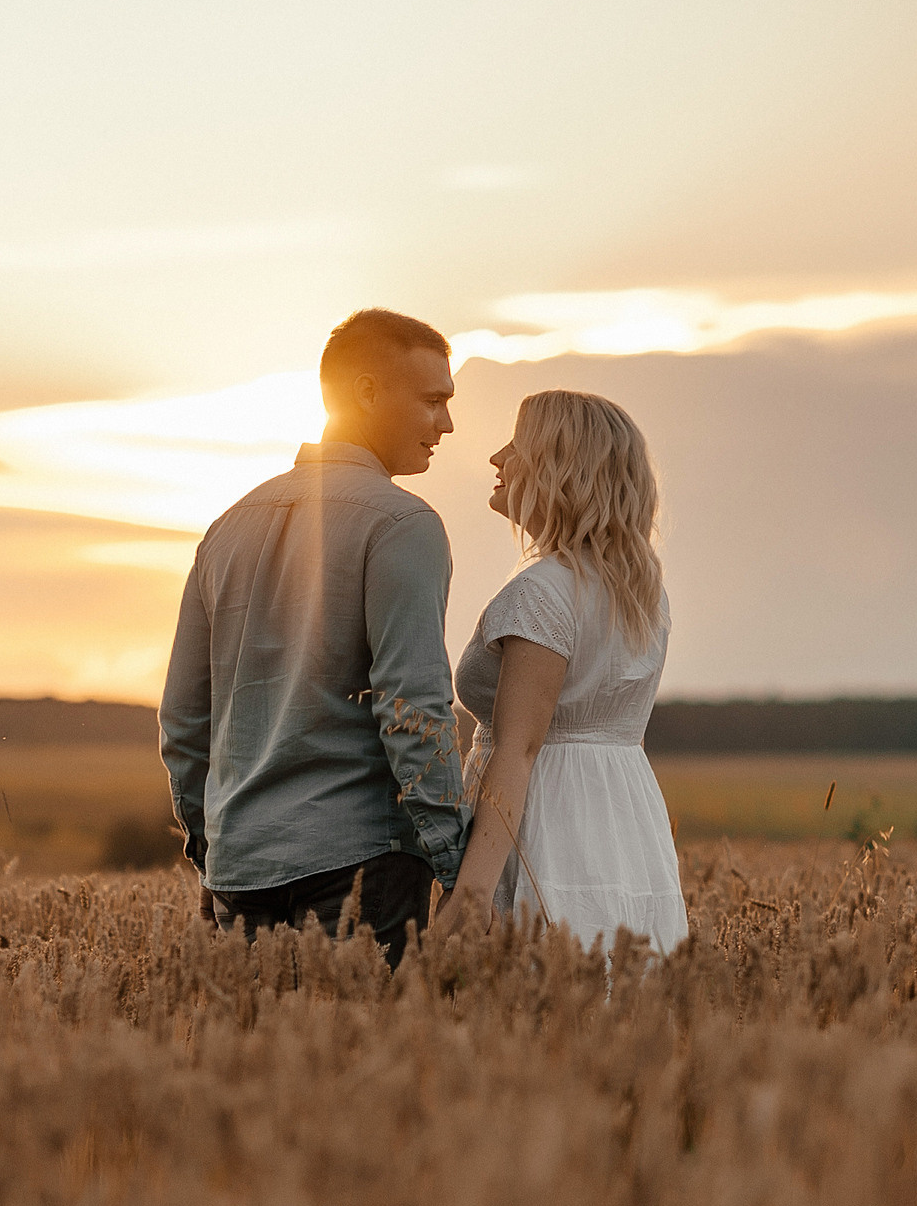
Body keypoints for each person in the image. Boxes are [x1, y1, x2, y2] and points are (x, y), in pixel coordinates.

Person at [158, 308, 469, 968]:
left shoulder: (227, 527)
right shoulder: (403, 525)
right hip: (362, 862)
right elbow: (413, 704)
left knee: (257, 1065)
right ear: (364, 392)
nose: (447, 424)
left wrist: (216, 846)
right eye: (433, 400)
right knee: (358, 1065)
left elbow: (184, 721)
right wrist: (452, 858)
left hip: (240, 871)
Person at [450, 390, 689, 953]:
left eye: (517, 444)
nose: (496, 459)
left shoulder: (539, 593)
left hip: (541, 823)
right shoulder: (642, 598)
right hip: (625, 822)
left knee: (528, 1008)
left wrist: (470, 895)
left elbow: (519, 749)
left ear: (559, 468)